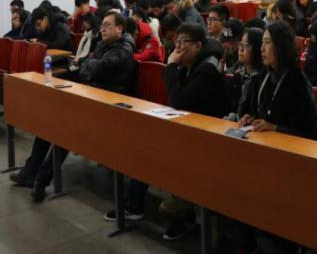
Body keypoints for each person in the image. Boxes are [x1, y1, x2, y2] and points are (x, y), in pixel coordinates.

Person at [104, 22, 225, 240]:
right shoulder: (193, 63)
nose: (177, 47)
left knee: (157, 149)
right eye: (176, 41)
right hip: (190, 128)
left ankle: (182, 216)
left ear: (198, 45)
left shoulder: (206, 68)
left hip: (208, 137)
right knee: (147, 145)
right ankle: (135, 205)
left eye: (183, 42)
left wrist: (170, 66)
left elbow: (178, 101)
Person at [12, 12, 137, 201]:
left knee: (66, 129)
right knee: (50, 122)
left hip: (110, 109)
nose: (102, 29)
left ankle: (42, 178)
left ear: (119, 28)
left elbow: (95, 67)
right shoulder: (104, 45)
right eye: (102, 25)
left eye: (107, 25)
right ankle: (31, 171)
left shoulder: (124, 50)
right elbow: (86, 66)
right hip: (93, 99)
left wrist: (89, 65)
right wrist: (90, 66)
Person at [239, 20, 317, 138]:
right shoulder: (263, 74)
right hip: (263, 140)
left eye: (267, 43)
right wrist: (250, 118)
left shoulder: (297, 81)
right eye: (262, 42)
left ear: (280, 45)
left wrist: (275, 128)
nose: (262, 48)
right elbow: (259, 113)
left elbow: (307, 131)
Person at [225, 27, 265, 121]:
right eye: (241, 45)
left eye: (247, 45)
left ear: (258, 48)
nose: (241, 49)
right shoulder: (238, 75)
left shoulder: (263, 78)